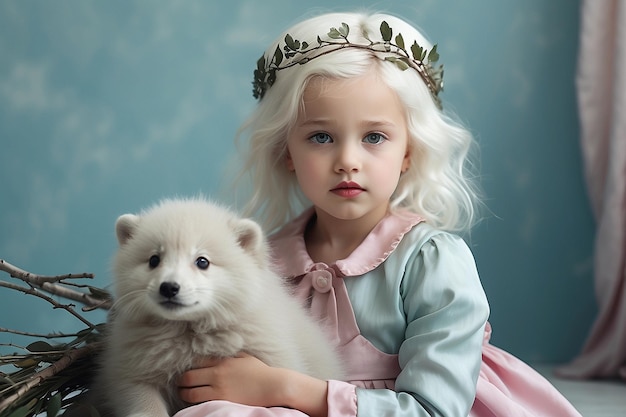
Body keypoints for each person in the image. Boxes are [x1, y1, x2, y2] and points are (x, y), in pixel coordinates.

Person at [174, 11, 582, 417]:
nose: (347, 161)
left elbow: (435, 408)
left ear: (408, 152)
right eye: (321, 137)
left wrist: (286, 387)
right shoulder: (264, 263)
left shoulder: (431, 261)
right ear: (287, 154)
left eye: (374, 137)